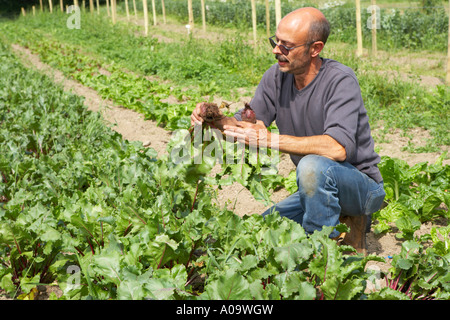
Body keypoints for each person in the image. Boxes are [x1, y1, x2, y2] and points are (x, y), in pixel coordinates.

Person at [190, 7, 385, 254]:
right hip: (316, 185)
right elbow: (252, 124)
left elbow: (337, 148)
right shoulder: (277, 76)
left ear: (315, 49)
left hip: (361, 188)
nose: (276, 50)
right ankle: (334, 221)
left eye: (287, 46)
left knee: (312, 166)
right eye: (276, 41)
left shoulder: (340, 80)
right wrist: (215, 118)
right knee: (263, 229)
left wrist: (269, 139)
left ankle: (322, 254)